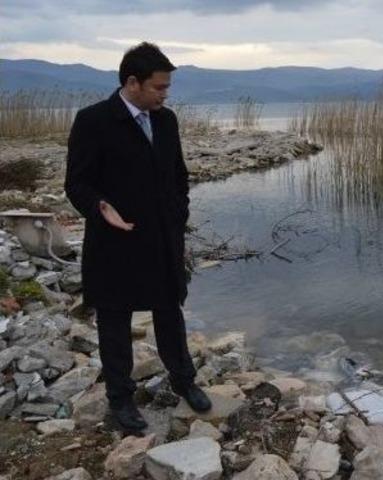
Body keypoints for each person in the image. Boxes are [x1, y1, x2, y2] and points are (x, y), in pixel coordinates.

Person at [65, 42, 211, 431]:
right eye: (159, 87)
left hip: (162, 239)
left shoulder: (166, 121)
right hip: (114, 242)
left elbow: (178, 175)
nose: (166, 94)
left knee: (169, 313)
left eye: (167, 87)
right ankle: (120, 400)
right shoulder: (93, 121)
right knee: (115, 321)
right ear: (133, 83)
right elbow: (76, 182)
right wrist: (100, 207)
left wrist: (178, 214)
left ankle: (184, 381)